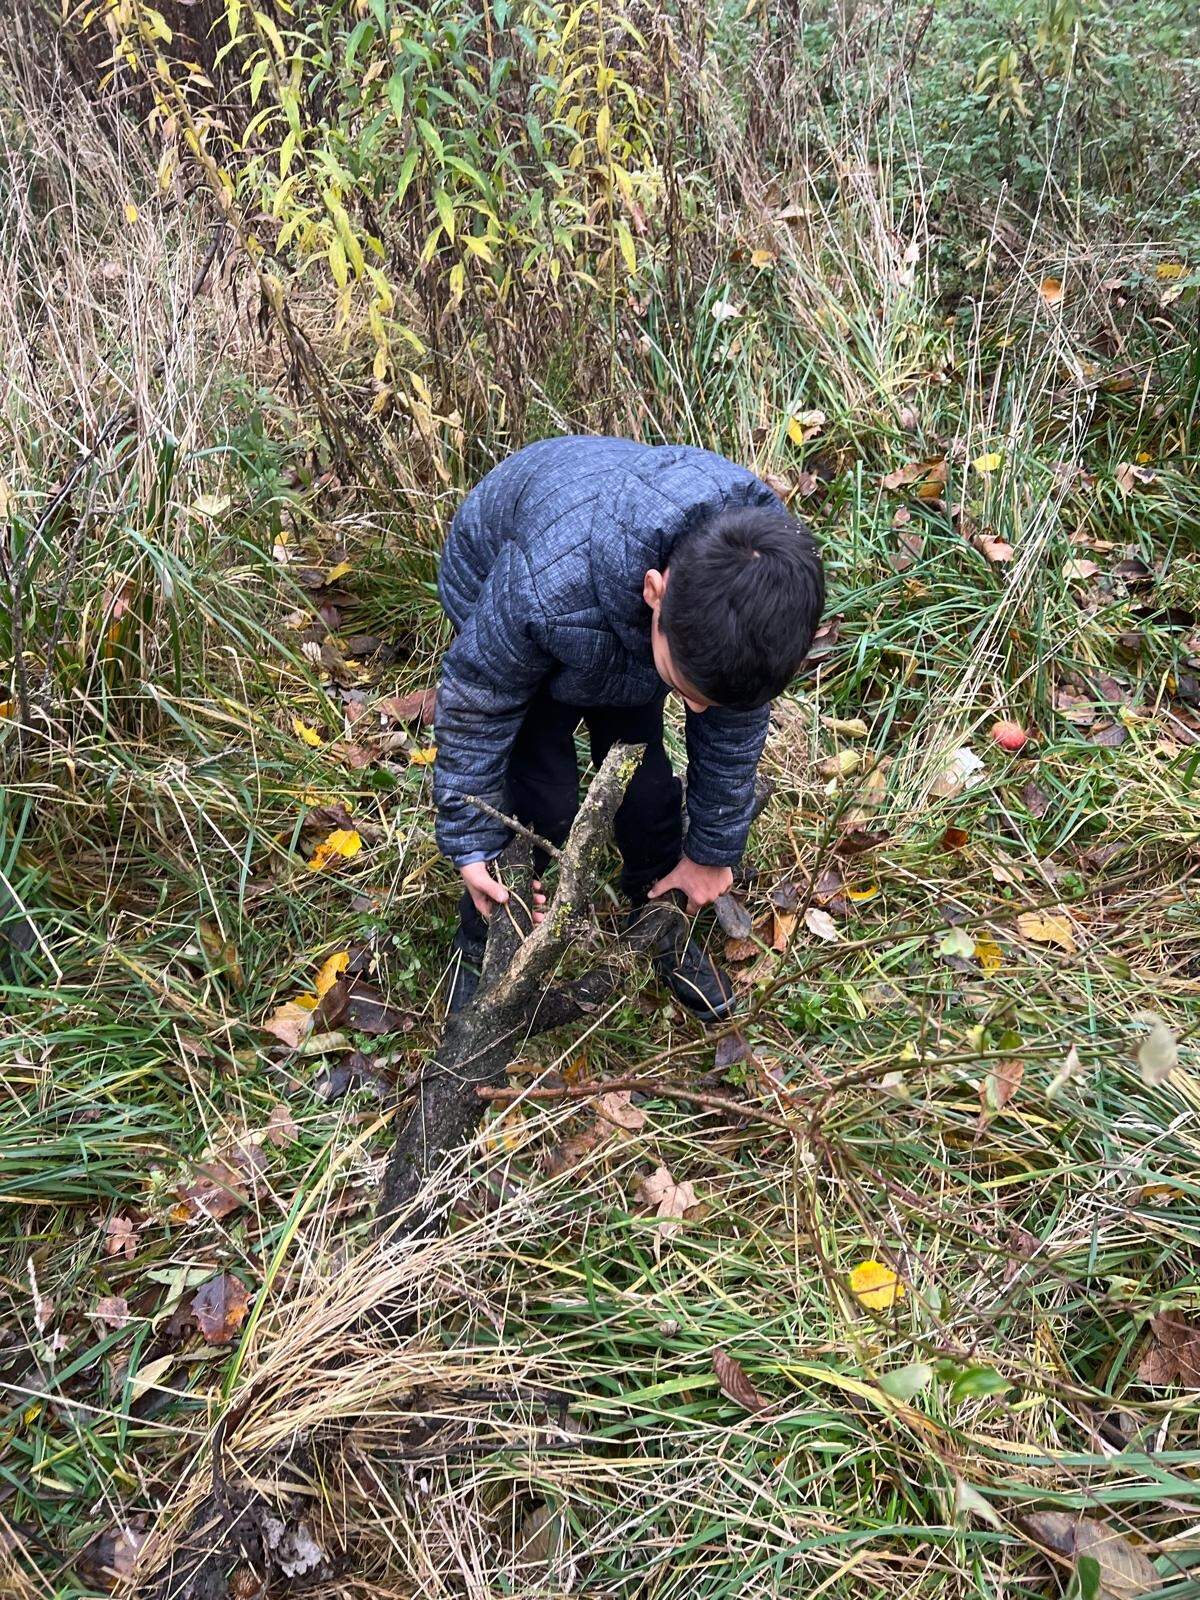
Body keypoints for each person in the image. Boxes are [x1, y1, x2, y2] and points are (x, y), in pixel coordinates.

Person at [434, 435, 825, 1019]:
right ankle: (485, 936)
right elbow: (478, 696)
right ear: (655, 594)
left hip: (617, 620)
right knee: (541, 797)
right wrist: (471, 840)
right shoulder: (543, 587)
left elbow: (733, 722)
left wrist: (712, 849)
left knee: (646, 787)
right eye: (687, 692)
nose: (696, 714)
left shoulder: (762, 583)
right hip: (510, 599)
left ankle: (660, 910)